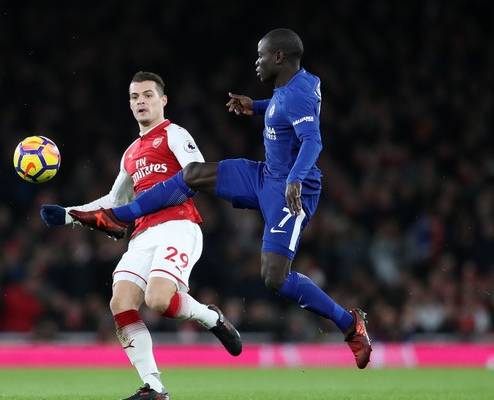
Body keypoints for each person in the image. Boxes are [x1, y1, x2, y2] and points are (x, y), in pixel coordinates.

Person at [68, 29, 372, 369]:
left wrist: (296, 180)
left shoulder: (299, 93)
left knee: (275, 278)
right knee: (193, 173)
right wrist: (256, 107)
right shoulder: (290, 87)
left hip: (290, 190)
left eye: (260, 56)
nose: (256, 62)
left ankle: (350, 325)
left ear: (279, 58)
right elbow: (281, 108)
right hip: (263, 175)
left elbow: (313, 141)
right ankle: (120, 216)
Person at [40, 71, 242, 400]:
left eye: (147, 95)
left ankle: (211, 317)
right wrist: (68, 215)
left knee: (159, 301)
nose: (140, 102)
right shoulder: (131, 152)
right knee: (120, 302)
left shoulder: (175, 134)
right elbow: (114, 202)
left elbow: (197, 172)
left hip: (179, 225)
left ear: (162, 100)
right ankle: (154, 386)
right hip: (142, 234)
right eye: (135, 97)